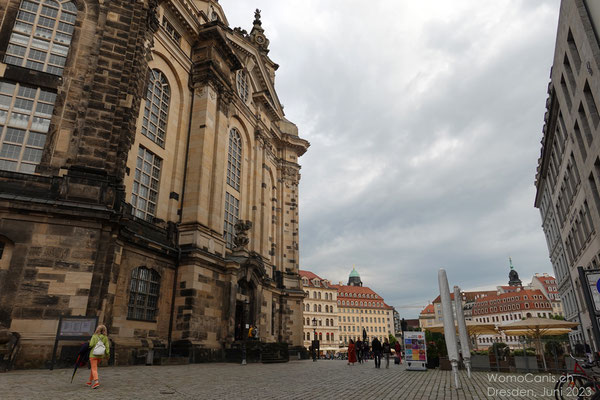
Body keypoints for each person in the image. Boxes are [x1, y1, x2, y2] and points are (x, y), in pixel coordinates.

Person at [88, 324, 109, 389]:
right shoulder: (105, 337)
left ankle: (96, 382)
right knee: (93, 367)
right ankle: (89, 381)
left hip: (93, 355)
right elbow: (107, 347)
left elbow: (91, 344)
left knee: (94, 368)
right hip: (100, 356)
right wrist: (107, 355)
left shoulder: (94, 336)